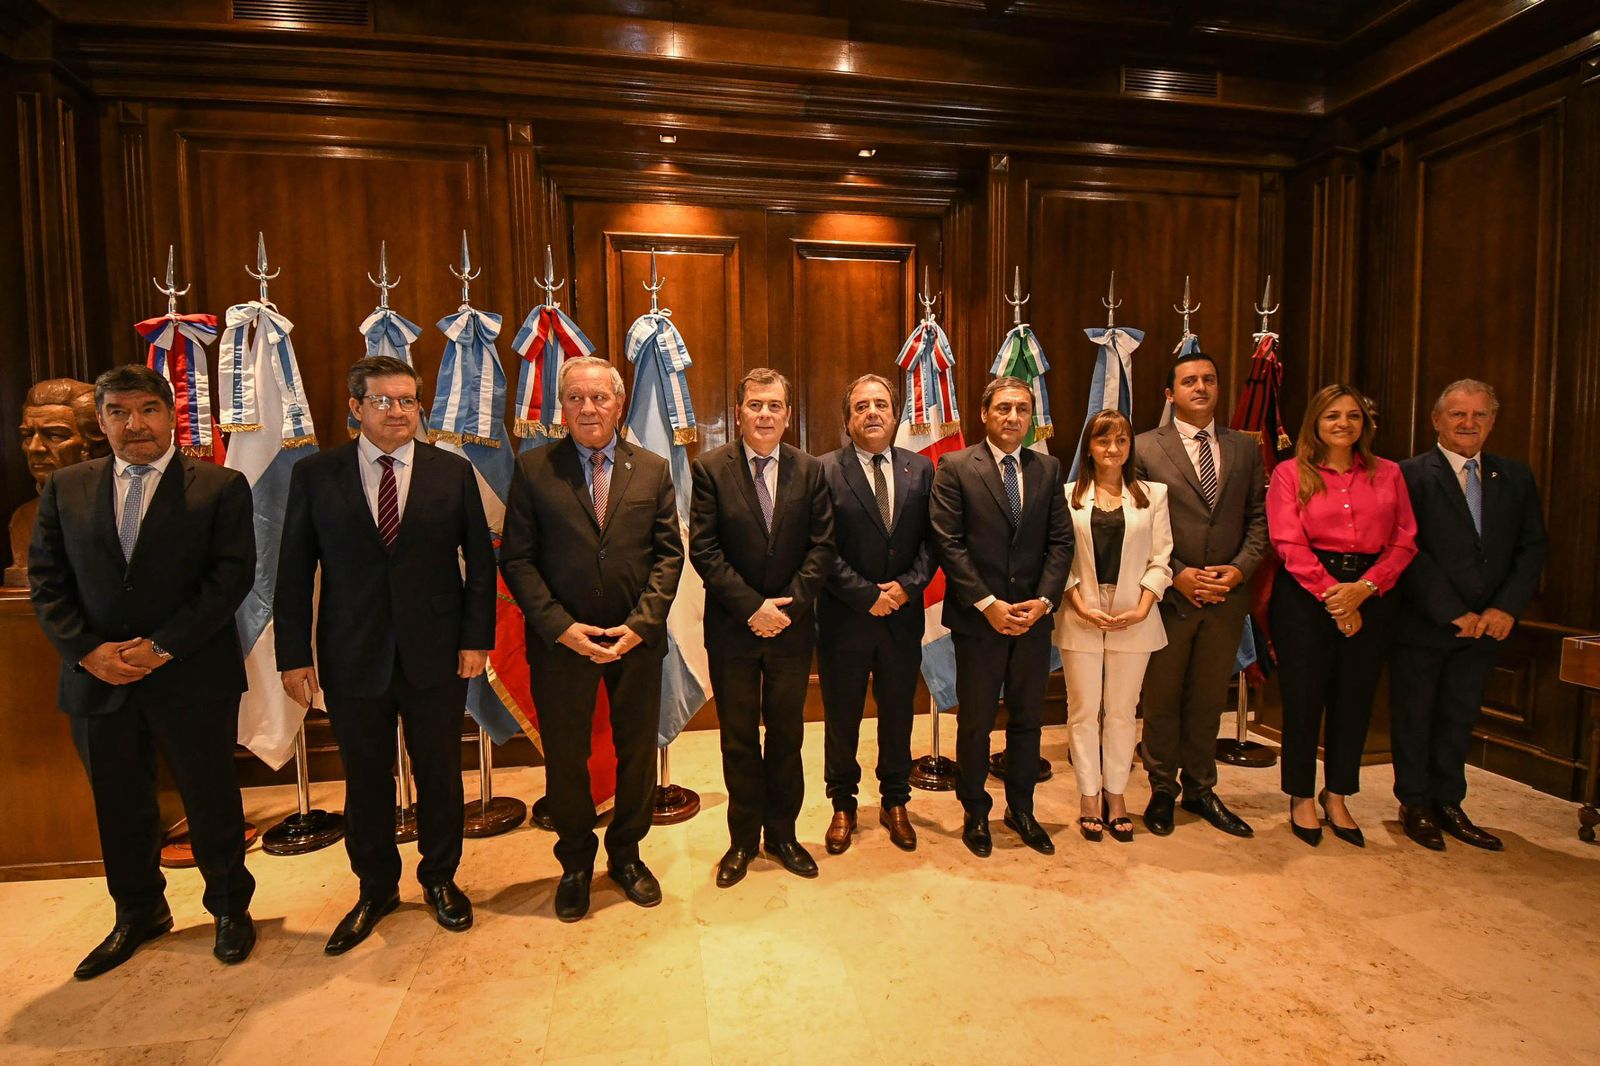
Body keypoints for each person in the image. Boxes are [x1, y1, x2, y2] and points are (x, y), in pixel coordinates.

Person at [29, 364, 257, 978]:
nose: (136, 425)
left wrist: (163, 647)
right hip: (98, 678)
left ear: (171, 414)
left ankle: (230, 907)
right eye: (120, 413)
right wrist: (87, 652)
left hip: (190, 674)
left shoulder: (219, 485)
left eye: (148, 410)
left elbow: (230, 577)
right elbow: (47, 582)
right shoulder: (67, 488)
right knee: (119, 802)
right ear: (101, 423)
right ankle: (138, 912)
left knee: (211, 797)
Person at [275, 355, 495, 952]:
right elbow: (293, 572)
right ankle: (375, 888)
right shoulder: (317, 475)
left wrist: (477, 639)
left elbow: (480, 563)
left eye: (407, 400)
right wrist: (293, 656)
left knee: (441, 776)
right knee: (365, 781)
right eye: (383, 400)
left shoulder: (451, 472)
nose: (397, 411)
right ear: (355, 408)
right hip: (352, 656)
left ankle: (441, 879)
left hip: (438, 654)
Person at [500, 356, 683, 920]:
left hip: (636, 642)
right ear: (562, 407)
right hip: (563, 646)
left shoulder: (651, 470)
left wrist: (640, 625)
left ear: (619, 404)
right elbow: (518, 560)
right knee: (567, 758)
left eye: (599, 398)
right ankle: (576, 861)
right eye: (576, 398)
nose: (588, 408)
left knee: (635, 754)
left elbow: (669, 556)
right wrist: (561, 627)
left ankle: (626, 855)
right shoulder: (534, 470)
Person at [689, 368, 834, 887]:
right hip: (733, 630)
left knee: (788, 736)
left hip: (792, 632)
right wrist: (753, 607)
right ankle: (742, 840)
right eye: (755, 405)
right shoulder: (709, 469)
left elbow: (821, 548)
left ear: (788, 415)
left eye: (775, 406)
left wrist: (785, 609)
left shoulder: (812, 470)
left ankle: (784, 834)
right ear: (739, 411)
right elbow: (703, 549)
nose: (765, 414)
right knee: (739, 739)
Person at [1389, 379, 1547, 851]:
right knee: (1415, 716)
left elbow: (1532, 546)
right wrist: (1452, 611)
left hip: (1487, 626)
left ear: (1492, 422)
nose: (1469, 424)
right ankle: (1415, 802)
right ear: (1436, 420)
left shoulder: (1514, 477)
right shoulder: (1409, 475)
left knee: (1459, 715)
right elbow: (1406, 548)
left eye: (1479, 415)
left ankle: (1449, 801)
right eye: (1458, 414)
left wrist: (1504, 609)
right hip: (1425, 622)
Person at [1267, 383, 1417, 847]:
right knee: (1304, 698)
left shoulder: (1389, 473)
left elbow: (1405, 538)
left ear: (1364, 425)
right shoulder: (1291, 474)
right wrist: (1336, 597)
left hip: (1372, 590)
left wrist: (1365, 589)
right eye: (1333, 415)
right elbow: (1287, 542)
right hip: (1307, 596)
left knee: (1355, 700)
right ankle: (1301, 797)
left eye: (1353, 416)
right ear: (1316, 421)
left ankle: (1337, 795)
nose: (1343, 424)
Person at [929, 375, 1072, 857]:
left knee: (1029, 721)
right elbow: (947, 542)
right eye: (1004, 408)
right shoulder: (954, 466)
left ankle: (1022, 808)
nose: (1014, 417)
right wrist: (989, 604)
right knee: (975, 722)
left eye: (1023, 409)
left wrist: (1045, 601)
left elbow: (1061, 542)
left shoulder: (1049, 468)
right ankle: (975, 811)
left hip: (1033, 620)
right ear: (985, 414)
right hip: (979, 622)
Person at [1132, 352, 1268, 838]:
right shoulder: (1145, 447)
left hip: (1227, 597)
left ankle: (1202, 787)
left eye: (1209, 379)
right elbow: (1136, 525)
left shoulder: (1245, 448)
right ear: (1170, 394)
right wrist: (1177, 574)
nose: (1202, 388)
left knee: (1211, 696)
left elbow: (1259, 519)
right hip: (1171, 596)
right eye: (1190, 381)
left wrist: (1237, 571)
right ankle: (1162, 787)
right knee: (1163, 697)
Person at [816, 374, 934, 854]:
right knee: (842, 716)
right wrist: (867, 595)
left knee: (898, 714)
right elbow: (819, 547)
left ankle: (895, 800)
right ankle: (843, 803)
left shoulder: (921, 469)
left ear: (895, 413)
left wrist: (906, 588)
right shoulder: (824, 470)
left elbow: (934, 541)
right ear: (847, 419)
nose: (872, 413)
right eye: (861, 405)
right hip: (846, 617)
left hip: (903, 618)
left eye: (881, 404)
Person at [1054, 409, 1172, 843]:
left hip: (1134, 612)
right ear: (1089, 446)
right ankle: (1089, 795)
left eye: (1121, 440)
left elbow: (1162, 558)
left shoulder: (1152, 495)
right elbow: (1058, 556)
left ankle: (1117, 794)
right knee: (1084, 710)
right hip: (1081, 609)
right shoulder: (1067, 495)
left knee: (1122, 712)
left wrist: (1144, 604)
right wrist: (1078, 601)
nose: (1113, 448)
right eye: (1104, 440)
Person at [9, 377, 108, 586]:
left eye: (54, 435)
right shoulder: (23, 520)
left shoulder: (122, 513)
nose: (35, 448)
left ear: (93, 445)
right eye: (28, 435)